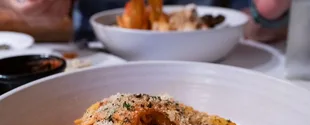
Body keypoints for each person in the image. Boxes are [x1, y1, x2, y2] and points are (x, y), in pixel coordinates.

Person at [2, 0, 291, 42]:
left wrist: (265, 11)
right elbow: (46, 14)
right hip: (97, 52)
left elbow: (250, 27)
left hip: (216, 62)